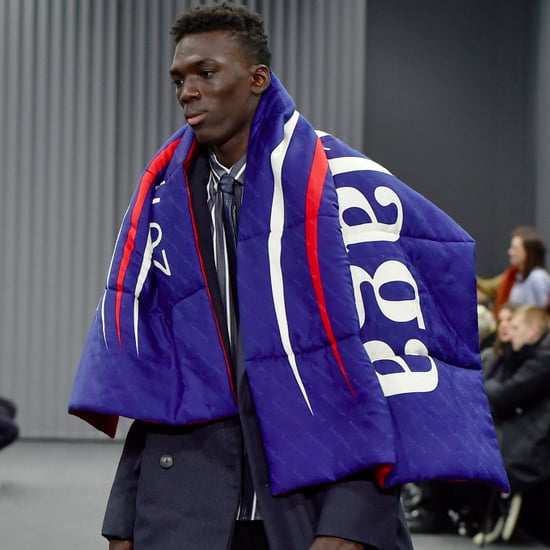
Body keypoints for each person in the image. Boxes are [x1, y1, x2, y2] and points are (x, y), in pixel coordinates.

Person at [68, 3, 507, 549]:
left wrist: (354, 519)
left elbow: (392, 369)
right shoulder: (161, 203)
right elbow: (160, 379)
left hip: (309, 510)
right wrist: (124, 515)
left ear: (257, 79)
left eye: (207, 72)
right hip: (186, 511)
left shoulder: (345, 190)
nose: (187, 90)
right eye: (179, 78)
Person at [474, 305, 550, 544]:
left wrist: (476, 395)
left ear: (533, 330)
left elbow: (511, 392)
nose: (508, 329)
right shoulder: (514, 353)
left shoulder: (543, 356)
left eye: (515, 326)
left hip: (533, 433)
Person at [477, 226, 550, 314]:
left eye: (515, 249)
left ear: (527, 252)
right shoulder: (516, 276)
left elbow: (543, 314)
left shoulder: (538, 277)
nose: (510, 252)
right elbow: (488, 288)